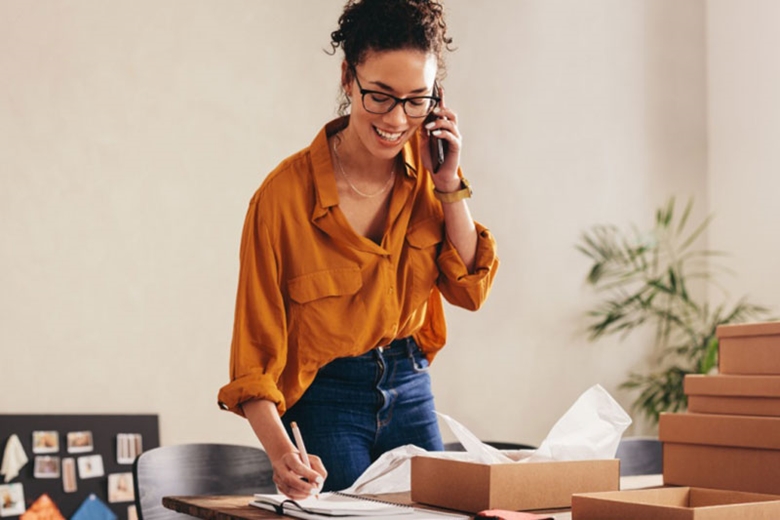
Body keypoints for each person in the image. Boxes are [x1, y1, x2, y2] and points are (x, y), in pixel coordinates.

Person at [217, 0, 499, 498]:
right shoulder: (282, 200)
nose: (397, 119)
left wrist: (450, 181)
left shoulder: (430, 174)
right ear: (348, 77)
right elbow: (253, 362)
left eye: (418, 100)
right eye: (380, 96)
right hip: (327, 398)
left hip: (410, 384)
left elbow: (470, 288)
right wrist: (283, 456)